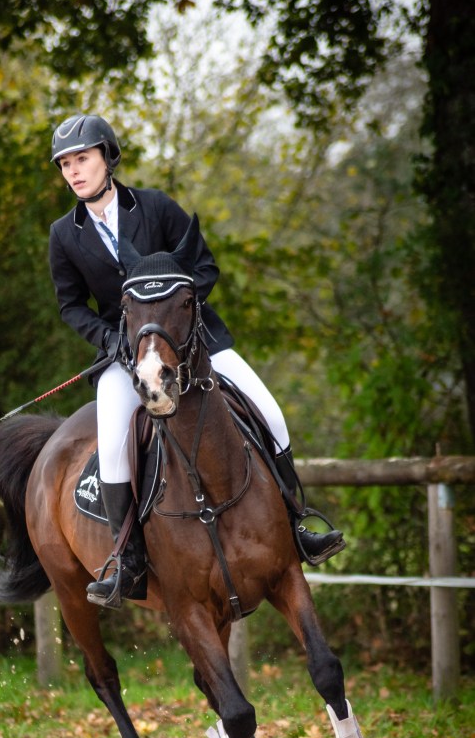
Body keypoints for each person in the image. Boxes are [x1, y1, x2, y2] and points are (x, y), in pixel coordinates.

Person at [48, 114, 344, 608]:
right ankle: (128, 559)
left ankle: (298, 524)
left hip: (197, 343)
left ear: (107, 157)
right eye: (65, 164)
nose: (74, 172)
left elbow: (204, 266)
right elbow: (70, 304)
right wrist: (108, 337)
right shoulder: (64, 234)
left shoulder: (157, 207)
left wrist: (173, 315)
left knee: (270, 411)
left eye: (82, 159)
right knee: (116, 439)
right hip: (125, 358)